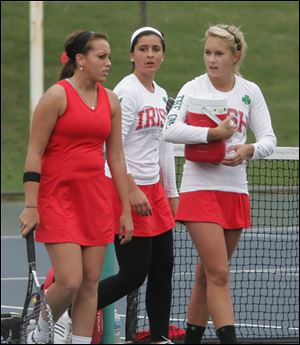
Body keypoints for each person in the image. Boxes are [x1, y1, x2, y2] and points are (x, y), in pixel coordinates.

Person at [163, 24, 276, 344]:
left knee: (205, 275)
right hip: (199, 190)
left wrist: (248, 150)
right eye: (207, 52)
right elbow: (169, 130)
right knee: (220, 274)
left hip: (235, 190)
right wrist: (210, 135)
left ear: (235, 56)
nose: (211, 60)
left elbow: (268, 139)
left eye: (219, 54)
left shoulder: (249, 91)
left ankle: (192, 340)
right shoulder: (192, 88)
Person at [19, 30, 133, 344]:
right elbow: (34, 152)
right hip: (57, 199)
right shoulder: (56, 96)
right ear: (80, 60)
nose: (108, 62)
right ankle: (40, 333)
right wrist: (31, 204)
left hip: (95, 202)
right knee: (69, 280)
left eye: (109, 56)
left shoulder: (111, 100)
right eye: (101, 56)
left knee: (90, 284)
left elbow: (117, 159)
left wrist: (125, 209)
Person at [95, 26, 179, 344]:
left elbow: (164, 146)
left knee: (163, 269)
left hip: (154, 191)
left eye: (156, 49)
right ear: (132, 55)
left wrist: (171, 192)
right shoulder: (126, 92)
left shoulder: (160, 94)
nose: (150, 54)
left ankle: (159, 337)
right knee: (133, 274)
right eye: (143, 49)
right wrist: (130, 189)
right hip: (123, 188)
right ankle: (70, 310)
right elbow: (110, 147)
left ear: (162, 54)